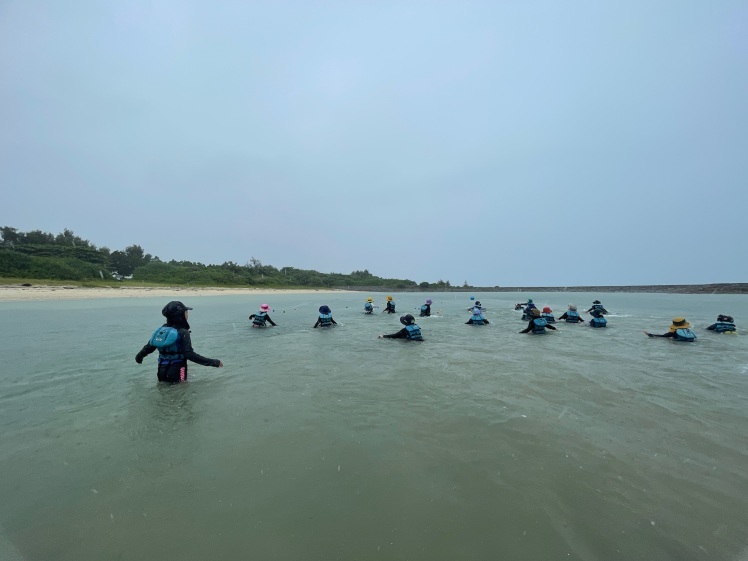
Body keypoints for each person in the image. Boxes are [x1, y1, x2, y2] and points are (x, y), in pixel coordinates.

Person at [135, 301, 223, 383]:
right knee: (182, 394)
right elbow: (189, 354)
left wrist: (139, 357)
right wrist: (214, 362)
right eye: (186, 312)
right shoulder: (182, 332)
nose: (187, 314)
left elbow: (149, 347)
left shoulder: (161, 331)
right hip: (178, 371)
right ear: (180, 315)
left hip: (161, 371)